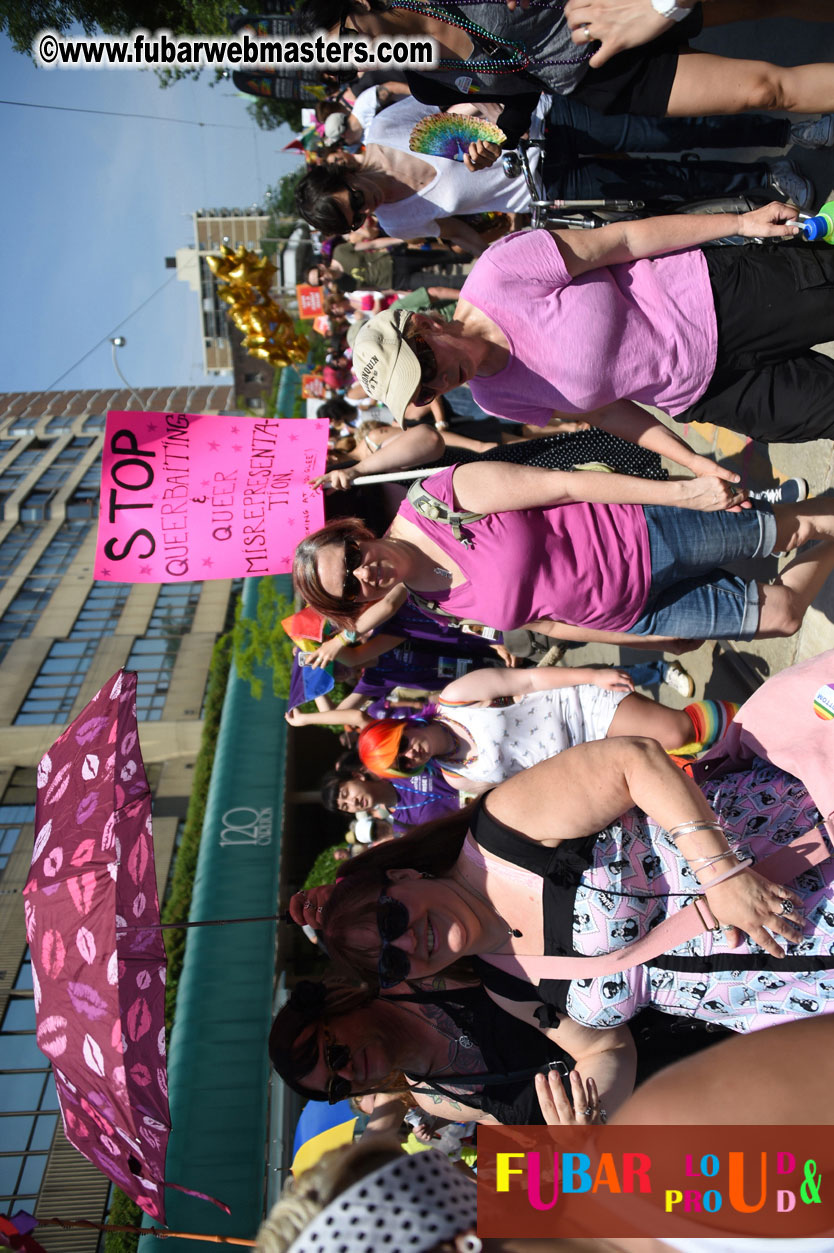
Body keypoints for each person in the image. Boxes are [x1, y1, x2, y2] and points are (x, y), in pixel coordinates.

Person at [316, 651, 834, 1033]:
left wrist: (720, 873)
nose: (405, 941)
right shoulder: (508, 986)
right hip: (810, 989)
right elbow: (603, 1052)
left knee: (678, 728)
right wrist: (586, 1128)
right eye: (390, 960)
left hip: (805, 848)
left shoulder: (502, 830)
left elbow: (632, 760)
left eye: (389, 919)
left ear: (404, 876)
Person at [349, 201, 834, 450]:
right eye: (424, 393)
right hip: (709, 393)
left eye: (425, 365)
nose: (438, 382)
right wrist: (691, 463)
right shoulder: (494, 399)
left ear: (426, 325)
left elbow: (623, 239)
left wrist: (739, 223)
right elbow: (605, 413)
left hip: (718, 299)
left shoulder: (499, 274)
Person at [292, 465, 834, 652]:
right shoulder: (434, 608)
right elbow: (555, 626)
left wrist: (681, 493)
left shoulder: (436, 500)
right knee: (782, 616)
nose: (365, 573)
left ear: (355, 532)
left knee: (797, 529)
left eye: (353, 556)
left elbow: (564, 486)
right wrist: (647, 639)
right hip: (635, 613)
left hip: (647, 531)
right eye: (351, 589)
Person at [296, 0, 834, 148]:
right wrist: (494, 134)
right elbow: (520, 103)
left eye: (347, 39)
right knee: (766, 89)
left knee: (767, 2)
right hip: (600, 80)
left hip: (606, 8)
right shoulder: (426, 82)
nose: (360, 57)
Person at [269, 974, 637, 1125]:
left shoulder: (428, 971)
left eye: (334, 1055)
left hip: (663, 1019)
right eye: (338, 1087)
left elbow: (608, 1047)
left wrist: (590, 1121)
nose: (349, 1074)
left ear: (333, 1005)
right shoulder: (435, 1100)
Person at [344, 664, 738, 791]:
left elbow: (528, 680)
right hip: (587, 762)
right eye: (403, 763)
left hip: (580, 709)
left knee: (677, 732)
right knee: (679, 772)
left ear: (402, 726)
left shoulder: (457, 697)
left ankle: (761, 714)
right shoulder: (457, 777)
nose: (411, 754)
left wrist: (594, 673)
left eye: (402, 744)